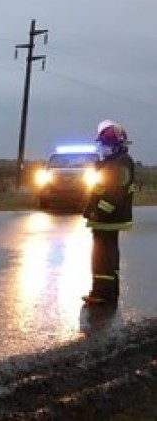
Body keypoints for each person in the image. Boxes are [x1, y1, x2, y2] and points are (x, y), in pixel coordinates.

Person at [81, 119, 134, 306]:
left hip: (109, 219)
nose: (101, 147)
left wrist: (99, 213)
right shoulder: (111, 163)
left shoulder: (121, 163)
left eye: (104, 143)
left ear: (115, 144)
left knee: (104, 258)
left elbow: (114, 196)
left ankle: (104, 293)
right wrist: (89, 209)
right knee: (103, 256)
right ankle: (103, 292)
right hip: (104, 219)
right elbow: (99, 189)